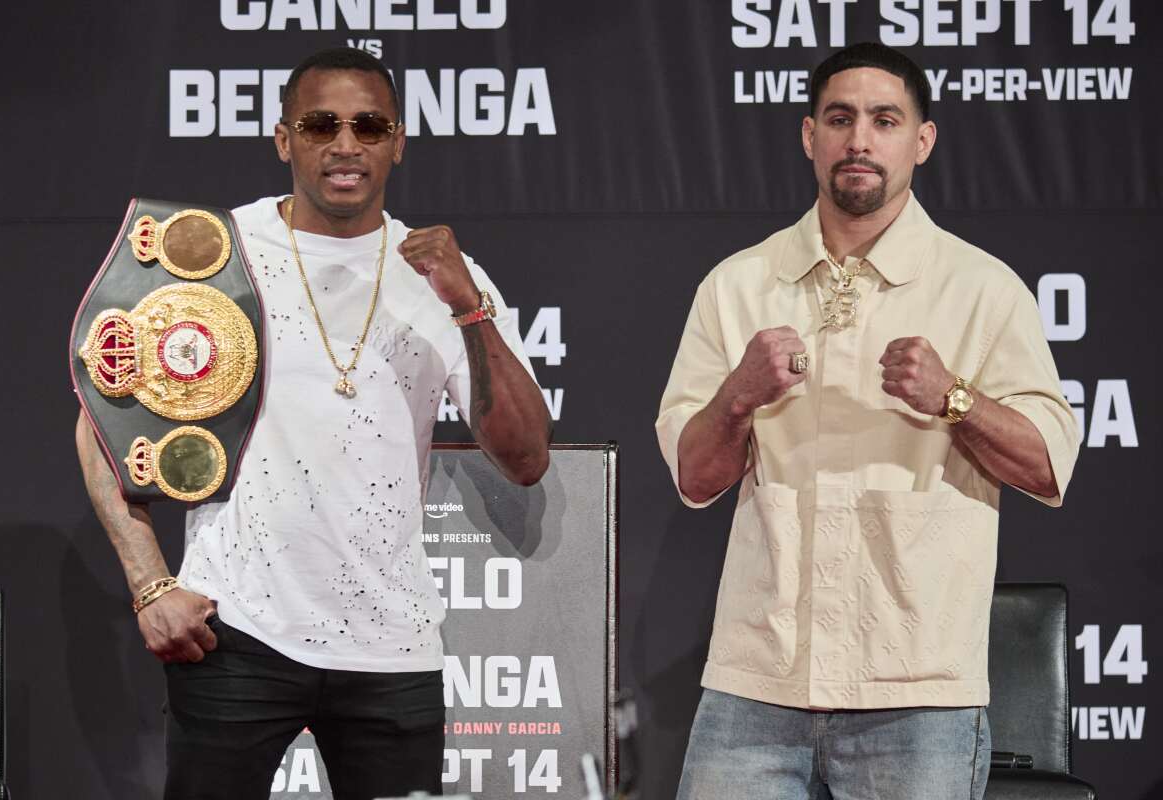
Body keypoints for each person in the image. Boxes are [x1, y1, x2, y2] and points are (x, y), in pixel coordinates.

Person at [75, 46, 552, 800]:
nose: (345, 144)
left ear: (398, 141)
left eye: (369, 126)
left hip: (391, 645)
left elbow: (526, 457)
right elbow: (100, 424)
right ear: (283, 138)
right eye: (320, 124)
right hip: (234, 633)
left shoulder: (442, 273)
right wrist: (148, 585)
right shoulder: (213, 256)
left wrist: (468, 307)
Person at [656, 42, 1080, 800]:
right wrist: (738, 396)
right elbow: (694, 478)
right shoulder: (737, 286)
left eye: (885, 120)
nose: (860, 140)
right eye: (840, 118)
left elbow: (1049, 466)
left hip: (917, 688)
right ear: (808, 135)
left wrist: (955, 398)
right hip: (758, 681)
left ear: (922, 141)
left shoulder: (983, 289)